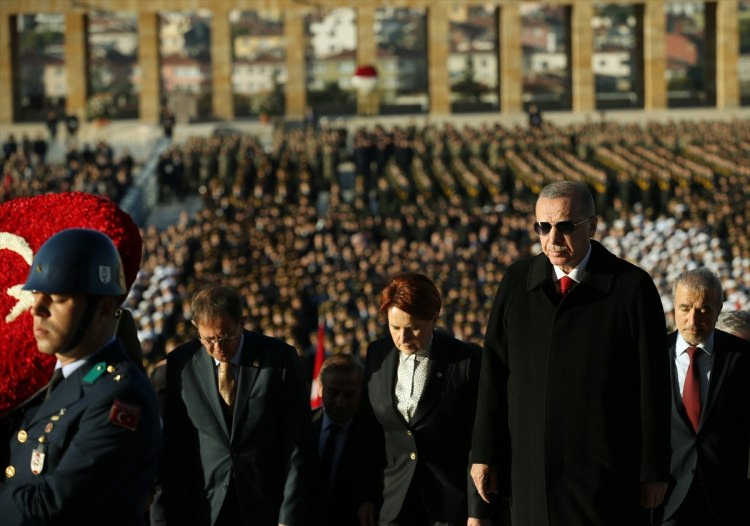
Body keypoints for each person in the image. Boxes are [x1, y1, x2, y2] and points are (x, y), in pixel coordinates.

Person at [471, 180, 671, 526]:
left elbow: (652, 386)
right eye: (543, 227)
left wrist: (653, 469)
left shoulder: (631, 287)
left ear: (592, 226)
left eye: (565, 227)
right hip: (531, 473)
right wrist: (484, 453)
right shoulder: (518, 281)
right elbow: (494, 374)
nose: (552, 239)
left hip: (604, 474)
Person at [0, 228, 161, 525]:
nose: (38, 308)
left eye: (58, 297)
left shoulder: (121, 397)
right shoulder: (54, 386)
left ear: (104, 308)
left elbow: (54, 507)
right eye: (36, 293)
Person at [150, 285, 312, 526]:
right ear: (196, 327)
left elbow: (297, 441)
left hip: (265, 505)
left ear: (242, 322)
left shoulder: (279, 359)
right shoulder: (181, 364)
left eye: (226, 337)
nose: (218, 348)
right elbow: (175, 444)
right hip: (205, 506)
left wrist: (289, 516)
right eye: (209, 340)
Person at [358, 272, 490, 526]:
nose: (403, 338)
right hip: (392, 503)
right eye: (394, 328)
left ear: (434, 317)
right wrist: (366, 497)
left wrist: (477, 511)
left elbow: (479, 440)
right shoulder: (378, 354)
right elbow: (368, 432)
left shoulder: (465, 360)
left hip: (449, 506)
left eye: (413, 328)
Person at [659, 269, 750, 525]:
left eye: (703, 310)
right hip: (665, 497)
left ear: (719, 308)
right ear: (673, 307)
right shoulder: (651, 354)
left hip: (728, 499)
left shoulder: (742, 357)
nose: (692, 320)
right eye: (685, 308)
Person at [312, 353, 364, 526]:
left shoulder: (373, 436)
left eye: (349, 395)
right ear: (320, 388)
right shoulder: (302, 427)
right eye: (333, 393)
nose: (340, 402)